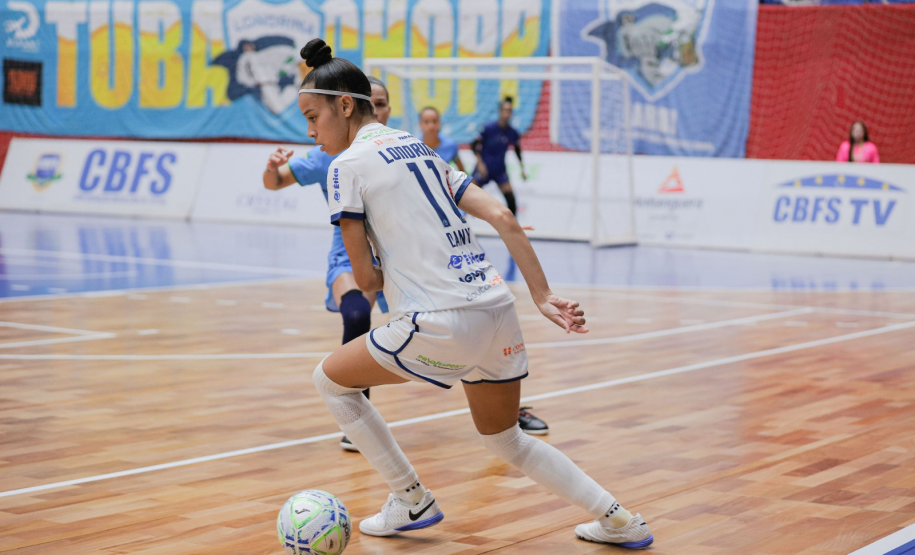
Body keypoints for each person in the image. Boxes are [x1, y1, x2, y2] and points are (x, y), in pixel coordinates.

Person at [298, 38, 653, 549]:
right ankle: (621, 519)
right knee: (506, 438)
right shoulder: (421, 149)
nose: (311, 131)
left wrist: (377, 256)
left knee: (331, 382)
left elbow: (369, 283)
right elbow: (504, 216)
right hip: (497, 308)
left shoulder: (345, 168)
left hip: (438, 319)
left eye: (314, 116)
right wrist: (543, 294)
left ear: (345, 106)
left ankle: (410, 497)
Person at [262, 75, 392, 453]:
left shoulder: (398, 146)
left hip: (398, 253)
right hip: (351, 253)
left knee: (454, 325)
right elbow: (274, 183)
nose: (379, 109)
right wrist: (272, 167)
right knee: (355, 315)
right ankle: (357, 419)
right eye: (375, 102)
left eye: (383, 103)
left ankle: (508, 409)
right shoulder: (327, 153)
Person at [420, 105, 548, 435]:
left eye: (436, 120)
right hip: (415, 256)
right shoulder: (394, 154)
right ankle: (356, 410)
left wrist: (504, 222)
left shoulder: (445, 151)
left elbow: (459, 189)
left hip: (452, 250)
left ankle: (508, 408)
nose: (432, 125)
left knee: (480, 317)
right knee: (358, 316)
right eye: (427, 121)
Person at [470, 97, 526, 216]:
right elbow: (474, 145)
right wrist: (480, 163)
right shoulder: (488, 128)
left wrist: (522, 169)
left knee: (511, 202)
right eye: (505, 110)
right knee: (466, 194)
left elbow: (517, 150)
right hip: (484, 167)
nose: (507, 113)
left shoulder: (512, 132)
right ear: (500, 111)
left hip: (500, 169)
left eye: (509, 110)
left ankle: (512, 230)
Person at [418, 106, 466, 172]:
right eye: (426, 122)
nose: (431, 126)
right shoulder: (412, 146)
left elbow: (462, 172)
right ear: (420, 124)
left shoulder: (450, 145)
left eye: (434, 121)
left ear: (439, 123)